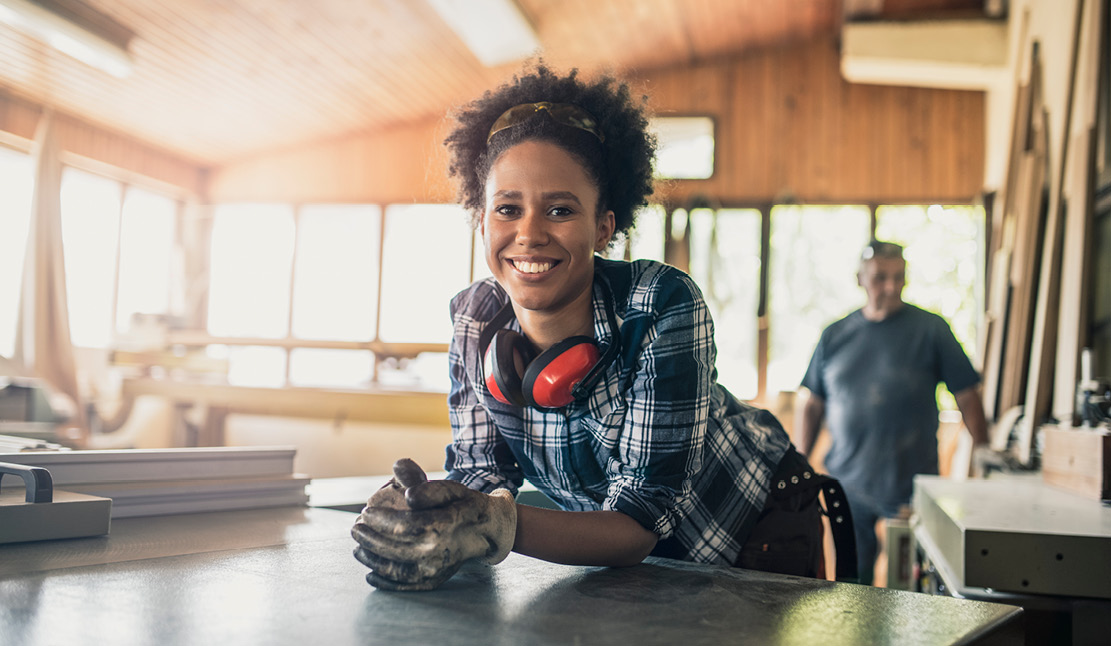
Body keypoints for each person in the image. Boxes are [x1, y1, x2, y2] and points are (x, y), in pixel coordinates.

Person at [351, 63, 855, 592]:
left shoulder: (662, 305)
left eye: (561, 210)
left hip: (754, 527)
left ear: (603, 228)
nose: (529, 234)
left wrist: (489, 522)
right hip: (639, 567)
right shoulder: (474, 320)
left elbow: (638, 523)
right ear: (482, 223)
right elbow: (481, 476)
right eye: (507, 208)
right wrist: (431, 513)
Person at [795, 239, 989, 586]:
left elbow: (967, 395)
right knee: (852, 583)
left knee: (910, 585)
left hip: (911, 485)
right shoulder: (835, 335)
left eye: (899, 276)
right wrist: (797, 462)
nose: (892, 286)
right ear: (860, 278)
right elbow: (812, 403)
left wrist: (986, 453)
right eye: (881, 277)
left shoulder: (931, 330)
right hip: (848, 485)